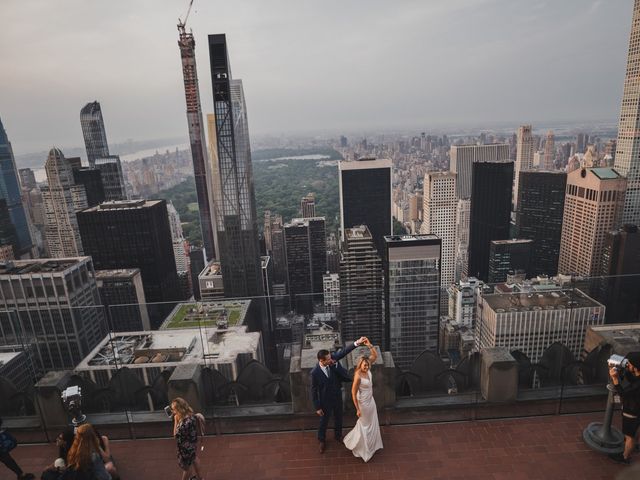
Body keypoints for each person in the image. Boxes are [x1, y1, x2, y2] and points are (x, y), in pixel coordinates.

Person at [310, 336, 367, 453]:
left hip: (337, 396)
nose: (330, 360)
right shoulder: (315, 373)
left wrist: (357, 342)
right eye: (327, 359)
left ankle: (338, 435)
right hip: (325, 401)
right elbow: (313, 390)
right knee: (324, 421)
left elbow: (344, 351)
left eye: (330, 358)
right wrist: (318, 407)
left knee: (339, 417)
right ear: (321, 361)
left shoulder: (332, 359)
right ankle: (321, 440)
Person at [343, 338, 383, 462]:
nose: (366, 367)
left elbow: (374, 356)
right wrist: (358, 409)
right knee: (365, 425)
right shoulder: (358, 376)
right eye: (364, 365)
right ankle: (365, 449)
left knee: (372, 423)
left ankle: (373, 445)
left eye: (367, 365)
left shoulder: (368, 366)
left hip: (371, 401)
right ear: (360, 365)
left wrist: (369, 345)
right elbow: (353, 394)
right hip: (363, 404)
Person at [609, 351, 640, 465]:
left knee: (629, 436)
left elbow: (623, 394)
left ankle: (625, 457)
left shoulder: (637, 386)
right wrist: (626, 372)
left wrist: (615, 379)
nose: (628, 365)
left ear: (636, 367)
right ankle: (635, 445)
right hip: (637, 410)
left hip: (632, 411)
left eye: (630, 364)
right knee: (635, 432)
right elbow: (634, 380)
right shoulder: (637, 376)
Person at [171, 397, 203, 480]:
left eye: (174, 409)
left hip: (185, 447)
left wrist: (175, 420)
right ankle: (200, 478)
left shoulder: (184, 424)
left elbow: (175, 435)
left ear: (180, 409)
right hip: (192, 443)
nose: (173, 412)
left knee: (187, 468)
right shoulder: (191, 415)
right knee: (194, 458)